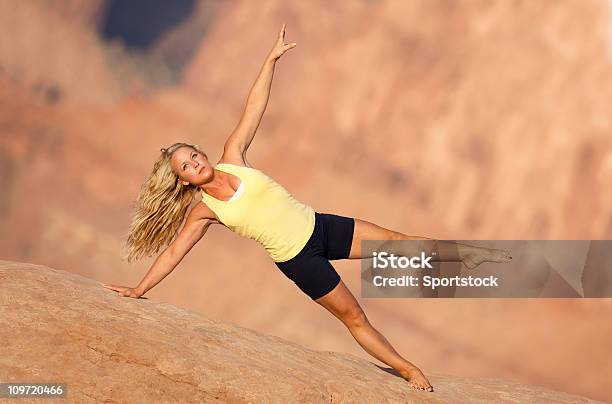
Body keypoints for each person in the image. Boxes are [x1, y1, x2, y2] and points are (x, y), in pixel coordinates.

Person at [101, 24, 511, 393]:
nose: (196, 163)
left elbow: (254, 107)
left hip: (320, 226)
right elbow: (174, 252)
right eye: (187, 166)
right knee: (354, 317)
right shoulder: (204, 211)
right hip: (299, 260)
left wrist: (270, 60)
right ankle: (407, 369)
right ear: (185, 180)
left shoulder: (233, 156)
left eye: (193, 154)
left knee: (397, 242)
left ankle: (471, 256)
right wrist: (139, 289)